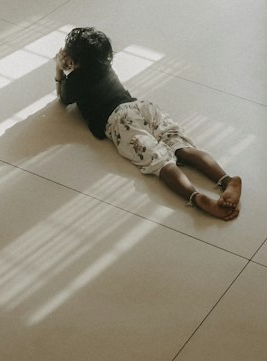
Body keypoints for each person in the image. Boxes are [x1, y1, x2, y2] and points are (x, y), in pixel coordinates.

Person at [55, 26, 242, 221]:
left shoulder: (76, 80)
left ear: (74, 58)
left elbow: (63, 99)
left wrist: (60, 69)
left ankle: (196, 197)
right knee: (180, 146)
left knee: (159, 160)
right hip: (143, 107)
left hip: (120, 121)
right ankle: (228, 180)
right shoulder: (106, 67)